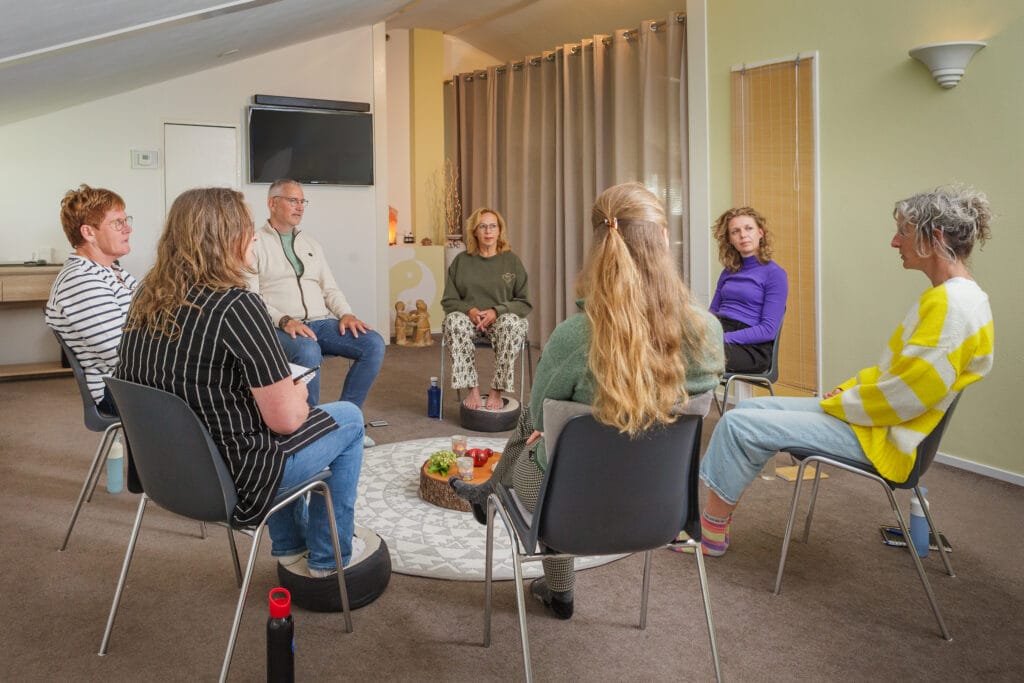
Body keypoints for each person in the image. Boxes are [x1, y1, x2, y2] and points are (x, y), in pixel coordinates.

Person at [450, 183, 724, 619]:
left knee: (533, 432)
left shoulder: (575, 337)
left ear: (600, 246)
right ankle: (489, 498)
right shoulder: (708, 331)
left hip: (568, 508)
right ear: (663, 242)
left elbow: (538, 419)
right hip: (664, 508)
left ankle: (553, 581)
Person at [692, 186, 994, 557]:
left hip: (885, 438)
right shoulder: (951, 298)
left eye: (903, 231)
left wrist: (843, 403)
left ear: (933, 238)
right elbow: (895, 377)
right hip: (876, 420)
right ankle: (713, 524)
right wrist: (848, 390)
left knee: (738, 424)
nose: (894, 241)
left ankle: (709, 536)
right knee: (747, 410)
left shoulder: (953, 309)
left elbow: (904, 398)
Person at [117, 187, 365, 578]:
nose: (254, 236)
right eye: (246, 228)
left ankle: (289, 547)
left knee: (263, 413)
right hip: (235, 482)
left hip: (167, 474)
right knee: (348, 418)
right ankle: (326, 561)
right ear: (225, 239)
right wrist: (298, 393)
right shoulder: (236, 305)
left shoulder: (146, 296)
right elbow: (286, 420)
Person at [247, 179, 385, 446]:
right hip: (279, 327)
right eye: (292, 200)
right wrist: (284, 319)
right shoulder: (256, 242)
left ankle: (344, 422)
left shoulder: (310, 242)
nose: (299, 207)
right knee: (308, 349)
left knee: (373, 343)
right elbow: (252, 297)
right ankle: (307, 431)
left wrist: (346, 314)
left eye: (302, 201)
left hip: (319, 322)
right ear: (272, 203)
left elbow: (330, 288)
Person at [45, 184, 137, 414]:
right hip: (120, 391)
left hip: (135, 381)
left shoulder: (111, 270)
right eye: (118, 223)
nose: (128, 229)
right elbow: (121, 352)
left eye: (127, 221)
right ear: (89, 233)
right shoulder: (80, 280)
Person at [441, 207, 532, 410]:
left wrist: (496, 311)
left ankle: (496, 390)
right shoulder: (461, 261)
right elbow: (448, 300)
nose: (488, 231)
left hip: (501, 322)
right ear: (475, 231)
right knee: (453, 321)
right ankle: (472, 388)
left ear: (500, 231)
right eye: (483, 227)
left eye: (493, 226)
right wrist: (470, 311)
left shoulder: (512, 261)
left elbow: (524, 302)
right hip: (469, 321)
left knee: (511, 324)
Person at [709, 207, 788, 373]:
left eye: (748, 228)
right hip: (720, 332)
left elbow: (768, 330)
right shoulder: (728, 272)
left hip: (752, 348)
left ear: (761, 233)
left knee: (692, 355)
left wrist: (720, 339)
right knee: (670, 347)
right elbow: (712, 314)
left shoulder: (775, 274)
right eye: (735, 231)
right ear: (730, 239)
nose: (743, 235)